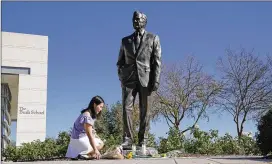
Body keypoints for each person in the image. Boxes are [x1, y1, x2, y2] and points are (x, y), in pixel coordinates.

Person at [117, 11, 162, 147]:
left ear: (144, 21)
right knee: (126, 108)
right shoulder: (125, 41)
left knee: (145, 109)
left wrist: (156, 80)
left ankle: (143, 139)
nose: (136, 22)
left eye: (138, 19)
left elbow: (157, 61)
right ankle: (128, 139)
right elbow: (120, 62)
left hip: (146, 79)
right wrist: (122, 78)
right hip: (129, 80)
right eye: (134, 20)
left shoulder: (153, 38)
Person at [65, 96, 105, 160]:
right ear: (94, 104)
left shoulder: (86, 114)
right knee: (101, 143)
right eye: (100, 107)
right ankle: (83, 154)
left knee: (99, 142)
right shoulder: (87, 116)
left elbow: (91, 132)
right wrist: (95, 149)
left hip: (74, 142)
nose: (101, 109)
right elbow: (90, 136)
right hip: (79, 141)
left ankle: (82, 154)